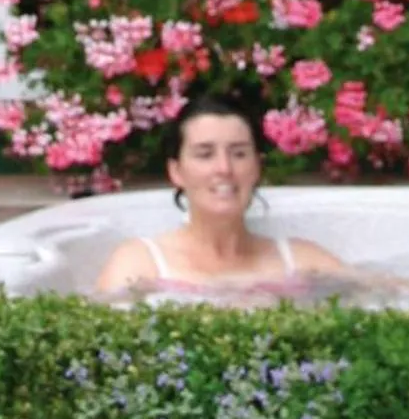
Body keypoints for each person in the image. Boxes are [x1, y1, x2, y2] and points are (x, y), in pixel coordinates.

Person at [94, 93, 349, 301]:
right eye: (205, 155)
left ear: (257, 167)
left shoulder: (302, 263)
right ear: (176, 171)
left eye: (238, 154)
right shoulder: (140, 266)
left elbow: (383, 304)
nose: (224, 169)